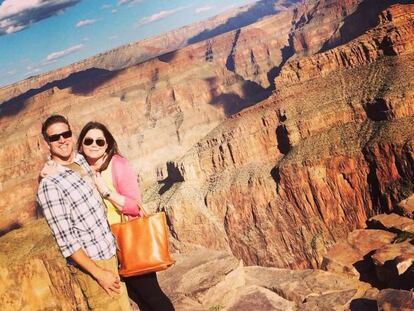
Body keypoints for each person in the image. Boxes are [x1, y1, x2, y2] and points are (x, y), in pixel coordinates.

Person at [36, 115, 132, 311]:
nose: (62, 140)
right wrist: (99, 273)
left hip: (110, 254)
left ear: (72, 134)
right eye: (55, 137)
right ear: (46, 142)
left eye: (65, 134)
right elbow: (67, 242)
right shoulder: (50, 184)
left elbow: (101, 150)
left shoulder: (80, 160)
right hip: (94, 265)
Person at [77, 121, 175, 311]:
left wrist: (106, 192)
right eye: (89, 141)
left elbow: (134, 206)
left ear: (107, 145)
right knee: (138, 298)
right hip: (103, 248)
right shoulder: (80, 169)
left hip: (128, 242)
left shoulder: (117, 164)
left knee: (152, 296)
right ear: (81, 144)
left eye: (100, 141)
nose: (94, 145)